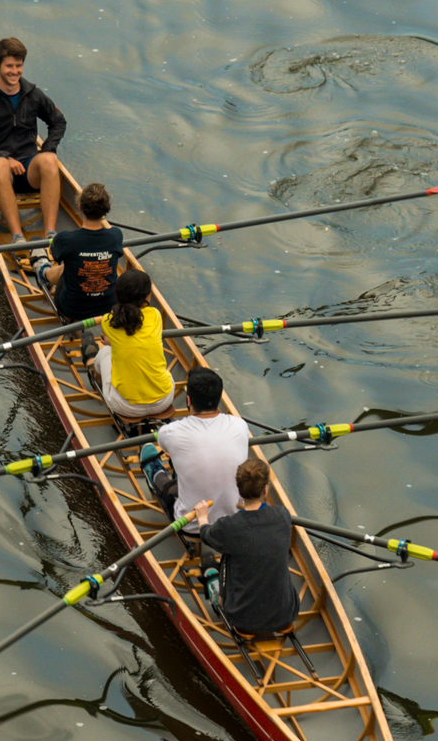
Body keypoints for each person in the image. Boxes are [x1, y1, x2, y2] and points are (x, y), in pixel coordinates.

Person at [0, 37, 66, 255]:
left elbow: (58, 121)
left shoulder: (33, 95)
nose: (15, 71)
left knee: (49, 160)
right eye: (9, 66)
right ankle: (18, 238)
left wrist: (48, 147)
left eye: (18, 66)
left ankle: (50, 235)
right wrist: (3, 157)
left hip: (28, 169)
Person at [189, 456, 300, 637]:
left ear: (239, 490)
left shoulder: (228, 526)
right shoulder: (283, 515)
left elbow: (206, 535)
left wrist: (202, 517)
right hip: (286, 615)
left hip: (243, 620)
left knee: (227, 555)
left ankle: (217, 592)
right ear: (265, 489)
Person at [138, 366, 247, 532]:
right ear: (219, 399)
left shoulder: (170, 432)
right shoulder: (240, 425)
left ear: (188, 401)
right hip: (233, 522)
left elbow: (168, 447)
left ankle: (156, 472)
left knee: (163, 461)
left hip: (191, 524)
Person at [93, 267, 178, 428]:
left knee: (105, 351)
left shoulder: (107, 321)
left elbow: (122, 334)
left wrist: (111, 343)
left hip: (126, 406)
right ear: (147, 296)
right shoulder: (155, 315)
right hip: (164, 400)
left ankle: (96, 379)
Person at [45, 181, 124, 329]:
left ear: (80, 207)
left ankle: (42, 272)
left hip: (72, 309)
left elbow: (53, 253)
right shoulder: (116, 235)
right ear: (105, 210)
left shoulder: (65, 239)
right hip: (108, 308)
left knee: (65, 267)